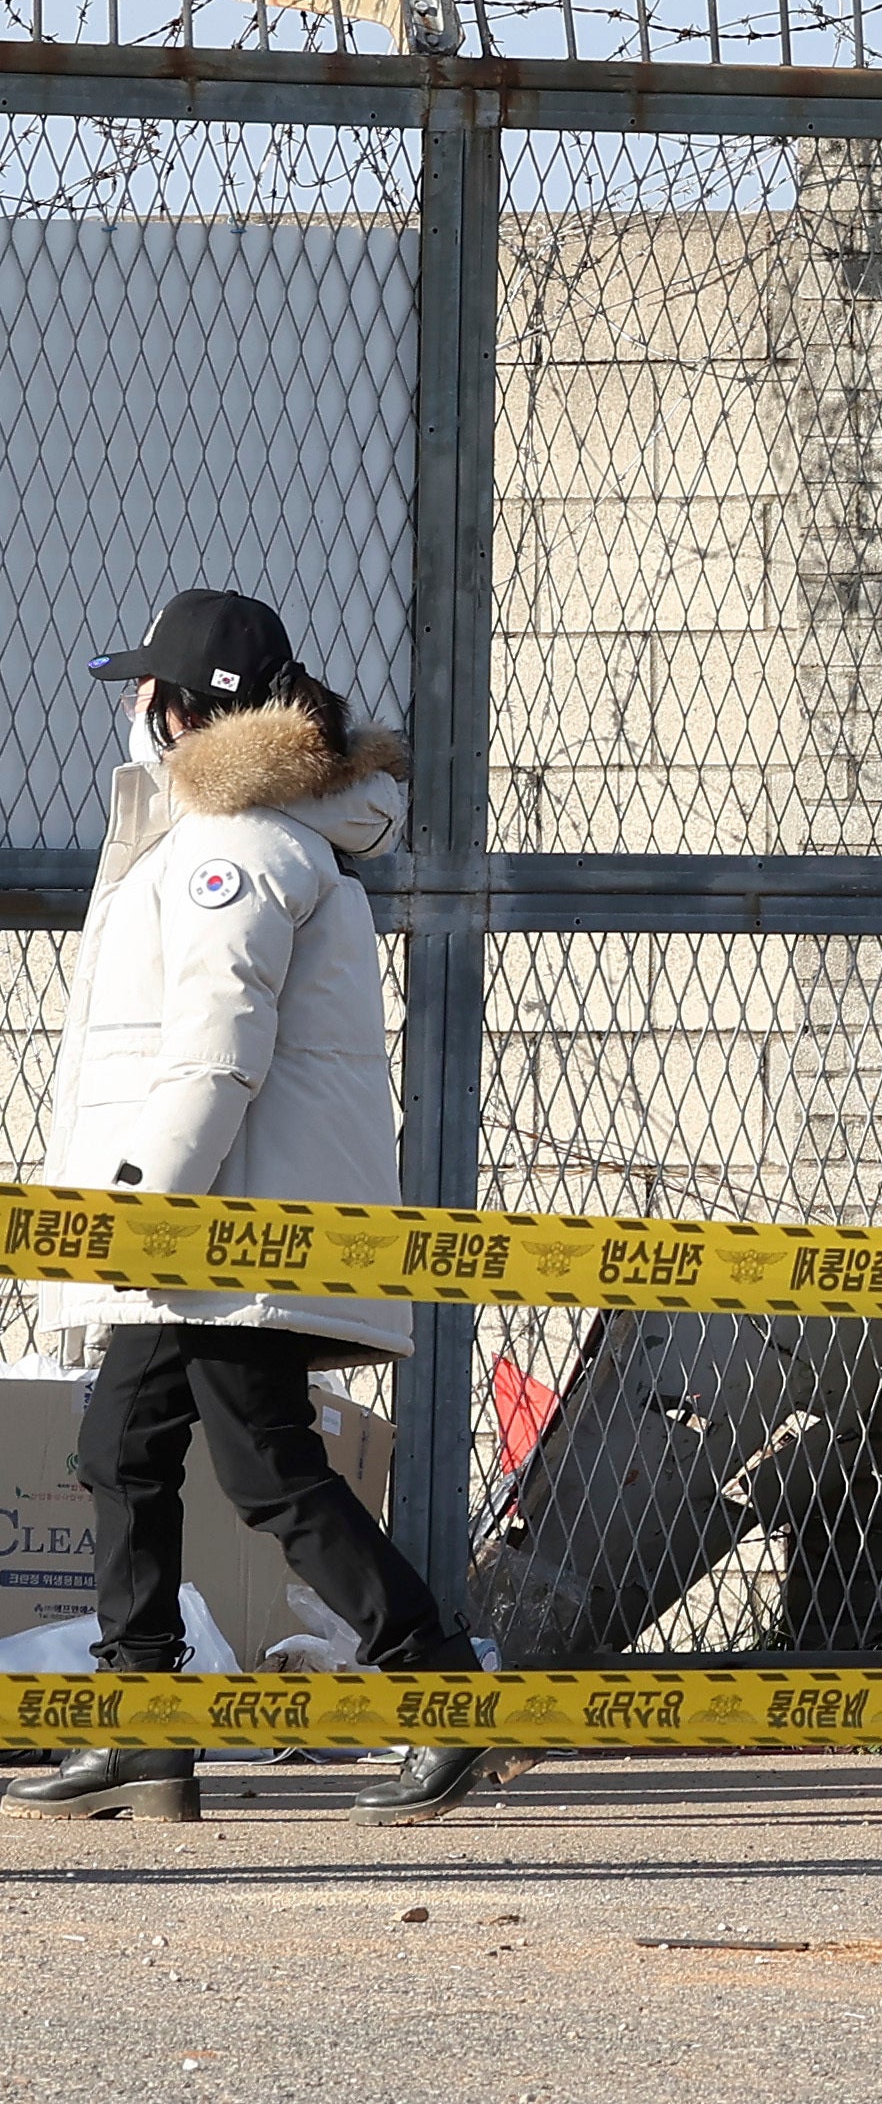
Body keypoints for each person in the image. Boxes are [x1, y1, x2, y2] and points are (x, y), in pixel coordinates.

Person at [12, 589, 502, 1830]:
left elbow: (217, 1047)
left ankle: (439, 1690)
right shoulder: (237, 837)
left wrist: (142, 1207)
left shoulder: (234, 851)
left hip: (214, 1226)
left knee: (260, 1467)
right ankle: (143, 1726)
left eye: (144, 689)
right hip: (205, 1224)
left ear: (181, 709)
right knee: (129, 1447)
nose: (132, 709)